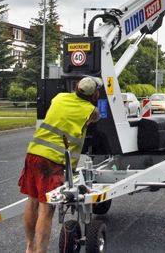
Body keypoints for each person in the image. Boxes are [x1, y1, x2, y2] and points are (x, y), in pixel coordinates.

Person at [18, 76, 102, 253]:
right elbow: (96, 118)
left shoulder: (59, 97)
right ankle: (41, 251)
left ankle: (29, 247)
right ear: (95, 95)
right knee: (46, 209)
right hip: (52, 161)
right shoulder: (90, 110)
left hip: (33, 152)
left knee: (32, 202)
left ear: (76, 87)